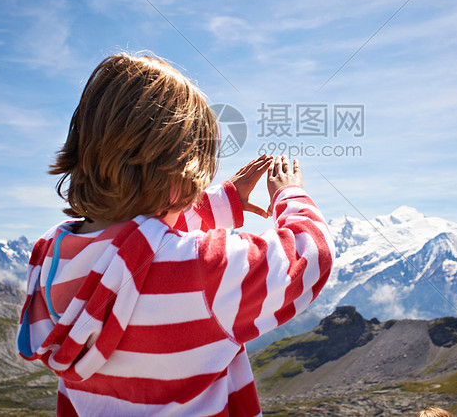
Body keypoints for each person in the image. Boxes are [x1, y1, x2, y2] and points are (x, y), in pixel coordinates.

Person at [17, 52, 335, 416]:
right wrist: (289, 194)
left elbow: (134, 245)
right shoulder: (205, 273)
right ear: (181, 172)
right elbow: (310, 256)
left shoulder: (50, 255)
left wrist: (221, 202)